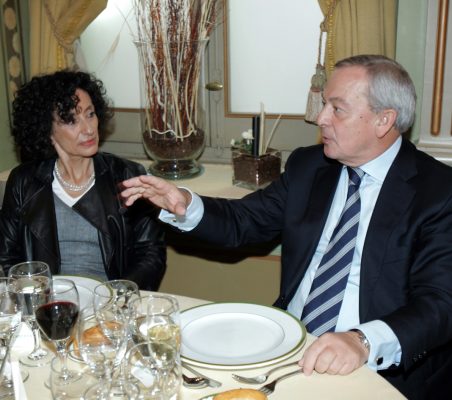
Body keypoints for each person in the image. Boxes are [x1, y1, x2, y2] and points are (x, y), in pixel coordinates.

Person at [119, 55, 452, 399]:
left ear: (384, 120)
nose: (321, 118)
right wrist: (184, 204)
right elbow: (244, 221)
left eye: (337, 109)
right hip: (287, 348)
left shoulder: (439, 193)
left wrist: (363, 341)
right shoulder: (310, 166)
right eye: (324, 105)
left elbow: (441, 303)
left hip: (378, 370)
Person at [0, 70, 166, 290]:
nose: (88, 129)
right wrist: (38, 296)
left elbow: (151, 255)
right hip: (47, 300)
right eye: (71, 120)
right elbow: (6, 258)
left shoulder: (127, 175)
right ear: (47, 130)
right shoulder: (23, 182)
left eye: (90, 114)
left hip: (110, 300)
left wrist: (115, 296)